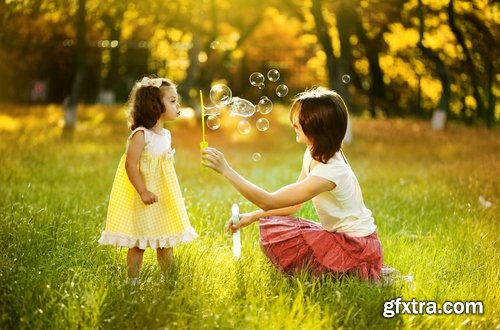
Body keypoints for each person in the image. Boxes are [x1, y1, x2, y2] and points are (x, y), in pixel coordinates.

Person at [202, 87, 382, 280]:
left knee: (292, 241)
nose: (294, 123)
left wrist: (226, 170)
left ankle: (353, 272)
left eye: (300, 119)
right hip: (342, 236)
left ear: (317, 127)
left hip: (355, 247)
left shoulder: (330, 172)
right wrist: (252, 216)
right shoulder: (315, 152)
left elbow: (269, 201)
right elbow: (293, 205)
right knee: (278, 225)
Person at [99, 76, 198, 285]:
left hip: (162, 196)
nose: (177, 104)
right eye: (172, 101)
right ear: (155, 105)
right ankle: (132, 283)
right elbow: (130, 164)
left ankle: (168, 280)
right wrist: (143, 191)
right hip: (144, 196)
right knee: (138, 243)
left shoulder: (166, 134)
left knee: (165, 240)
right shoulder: (141, 135)